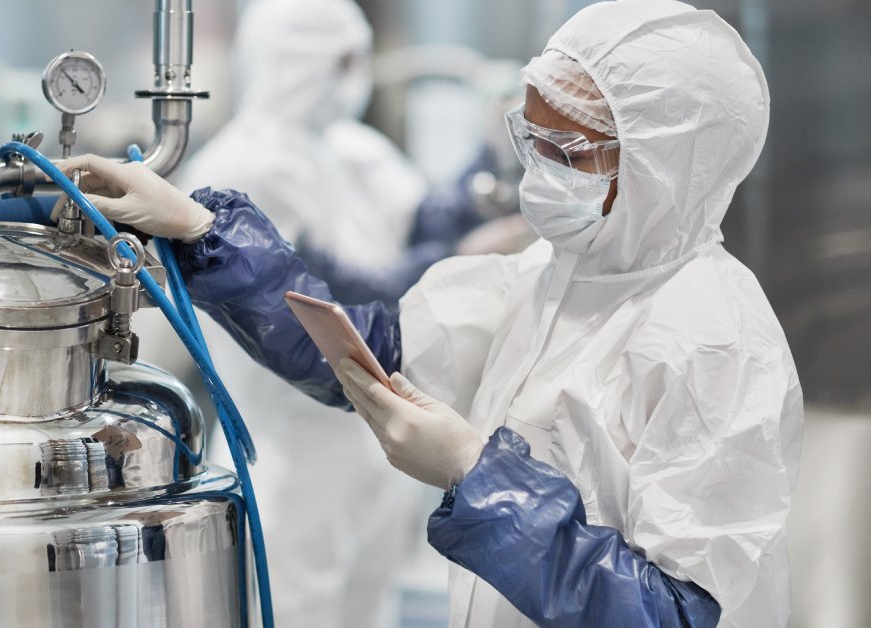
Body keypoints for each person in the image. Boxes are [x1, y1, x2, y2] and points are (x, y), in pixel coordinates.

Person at [59, 1, 802, 626]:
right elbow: (369, 351)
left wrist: (478, 477)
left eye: (566, 151)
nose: (539, 171)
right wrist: (203, 231)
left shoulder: (715, 343)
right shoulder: (550, 276)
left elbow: (673, 612)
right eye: (529, 139)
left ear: (666, 165)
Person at [175, 1, 487, 625]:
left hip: (373, 434)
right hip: (293, 441)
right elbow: (324, 294)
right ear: (297, 61)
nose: (356, 75)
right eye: (342, 61)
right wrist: (463, 254)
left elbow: (418, 218)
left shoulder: (349, 147)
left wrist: (490, 174)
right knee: (294, 605)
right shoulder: (242, 165)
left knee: (367, 599)